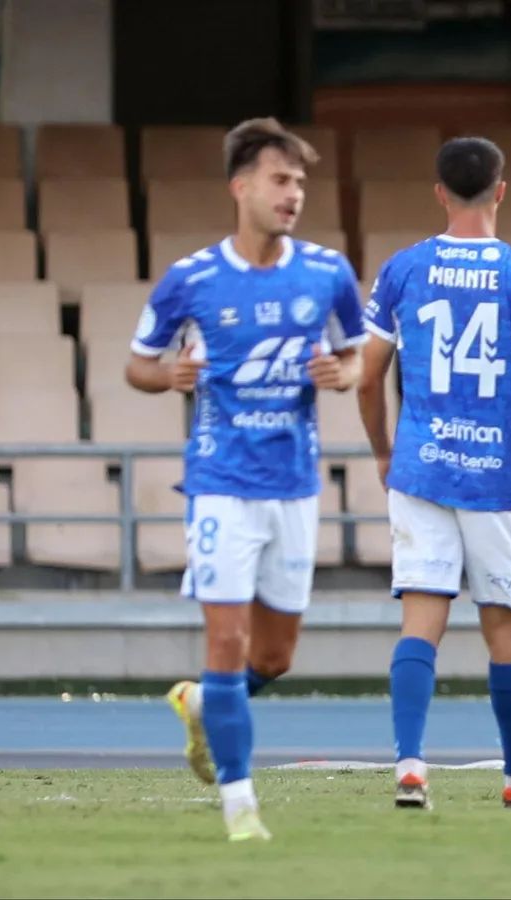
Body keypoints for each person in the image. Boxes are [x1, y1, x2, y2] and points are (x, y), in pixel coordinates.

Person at [126, 117, 365, 839]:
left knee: (275, 657)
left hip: (293, 483)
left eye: (300, 183)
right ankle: (240, 808)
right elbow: (137, 366)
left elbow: (356, 357)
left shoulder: (328, 272)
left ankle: (201, 704)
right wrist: (170, 376)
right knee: (226, 644)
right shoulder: (192, 279)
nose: (293, 195)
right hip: (220, 482)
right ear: (241, 187)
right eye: (280, 180)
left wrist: (340, 373)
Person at [357, 136, 511, 811]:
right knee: (504, 626)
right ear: (501, 190)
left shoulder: (403, 269)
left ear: (440, 193)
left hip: (420, 468)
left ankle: (409, 766)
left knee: (420, 620)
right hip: (495, 478)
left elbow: (366, 375)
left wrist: (384, 452)